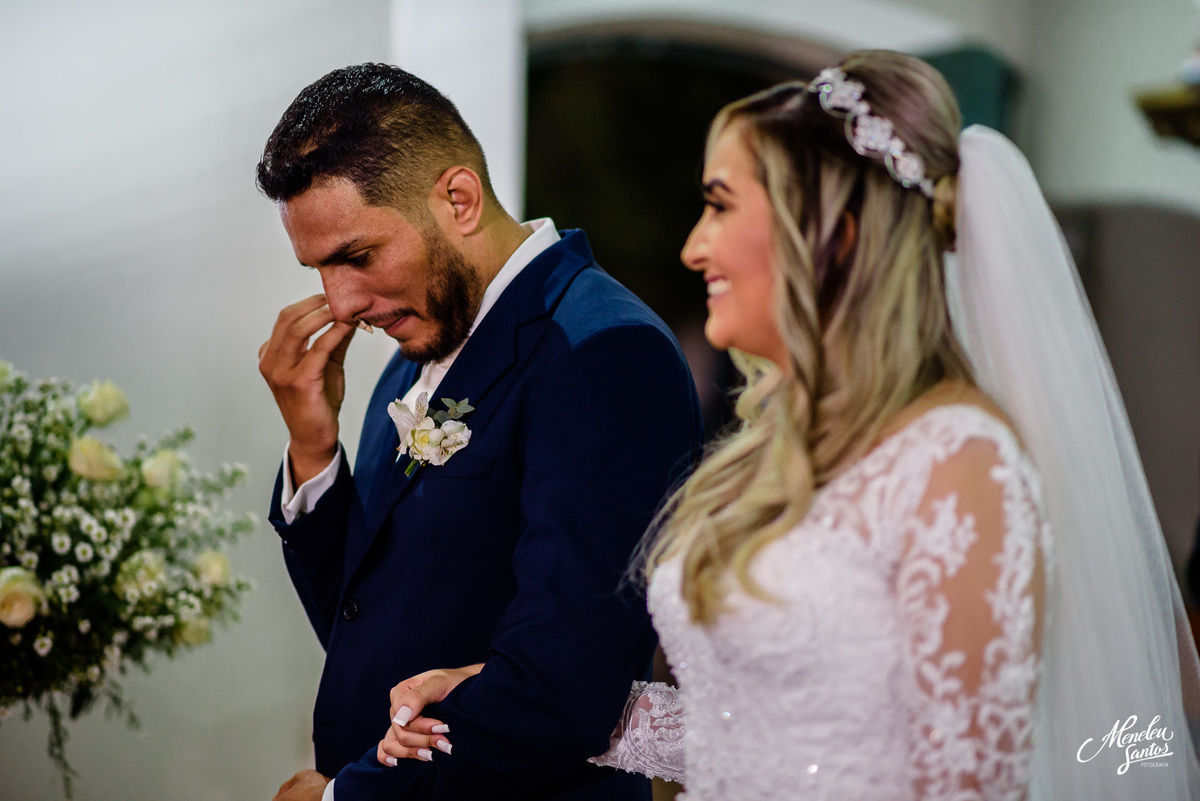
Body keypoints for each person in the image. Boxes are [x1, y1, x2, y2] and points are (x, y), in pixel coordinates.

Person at [378, 51, 1200, 799]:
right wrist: (506, 688)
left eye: (720, 205)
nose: (694, 247)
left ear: (829, 236)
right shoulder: (781, 449)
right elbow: (759, 731)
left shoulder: (961, 465)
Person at [255, 63, 703, 801]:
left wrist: (346, 798)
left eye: (357, 257)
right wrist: (311, 447)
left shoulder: (603, 353)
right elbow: (367, 618)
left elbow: (560, 686)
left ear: (458, 198)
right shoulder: (415, 353)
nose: (342, 303)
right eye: (318, 268)